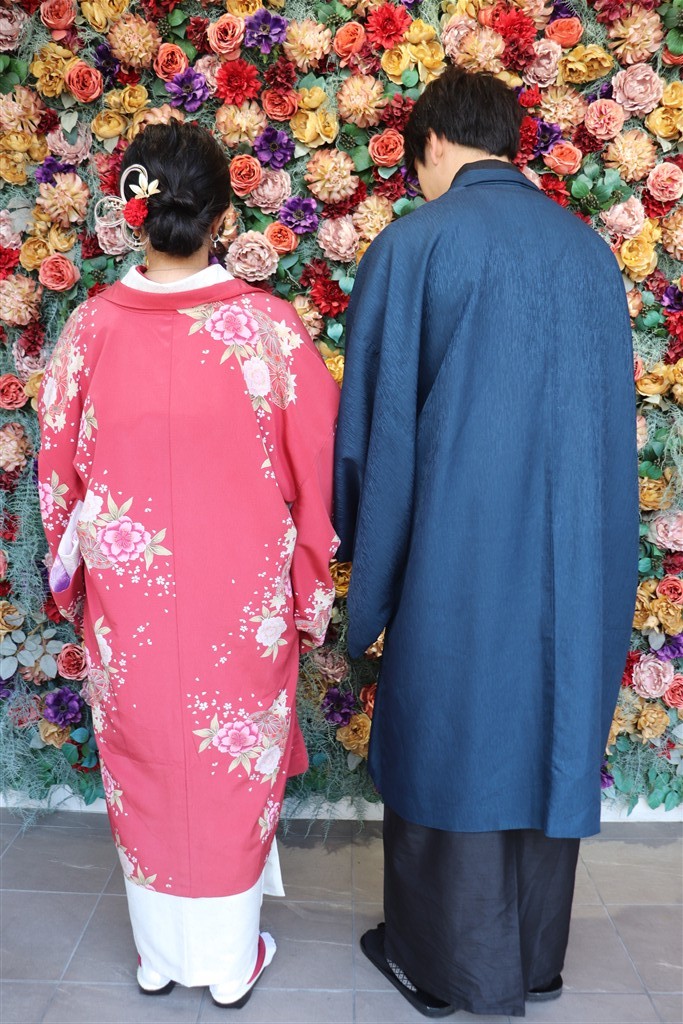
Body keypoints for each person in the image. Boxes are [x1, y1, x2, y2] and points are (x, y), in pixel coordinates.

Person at [334, 68, 638, 1019]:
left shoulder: (416, 244)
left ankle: (444, 971)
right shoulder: (586, 252)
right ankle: (534, 961)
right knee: (547, 721)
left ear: (430, 143)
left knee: (452, 730)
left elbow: (375, 435)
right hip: (574, 555)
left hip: (457, 553)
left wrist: (365, 566)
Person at [38, 121, 340, 1007]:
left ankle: (157, 954)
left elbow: (57, 476)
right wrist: (308, 588)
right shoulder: (268, 331)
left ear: (130, 211)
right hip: (239, 602)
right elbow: (318, 472)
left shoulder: (91, 330)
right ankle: (228, 960)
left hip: (129, 601)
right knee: (227, 768)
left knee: (145, 760)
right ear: (222, 215)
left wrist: (78, 578)